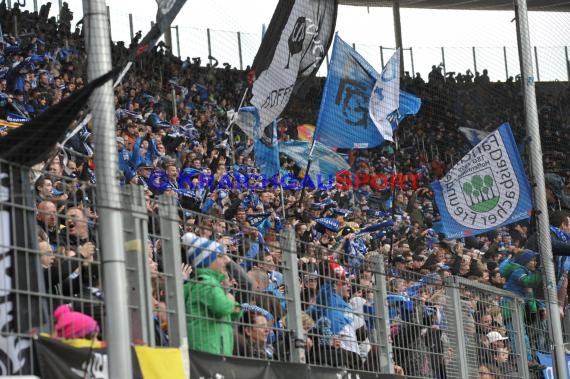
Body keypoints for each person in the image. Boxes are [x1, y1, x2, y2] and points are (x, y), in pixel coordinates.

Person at [182, 232, 242, 356]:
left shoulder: (205, 282)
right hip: (210, 352)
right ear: (208, 260)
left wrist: (234, 307)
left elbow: (236, 314)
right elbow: (223, 307)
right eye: (220, 256)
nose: (226, 260)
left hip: (210, 351)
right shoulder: (207, 283)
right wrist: (232, 302)